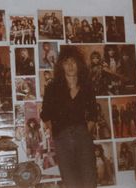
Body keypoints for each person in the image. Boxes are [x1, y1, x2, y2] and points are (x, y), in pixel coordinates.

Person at [41, 46, 97, 188]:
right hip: (62, 139)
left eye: (74, 62)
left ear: (79, 64)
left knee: (89, 180)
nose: (71, 66)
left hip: (83, 137)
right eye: (67, 62)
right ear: (61, 66)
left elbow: (93, 115)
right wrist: (59, 134)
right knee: (71, 181)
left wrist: (84, 133)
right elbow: (45, 114)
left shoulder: (87, 87)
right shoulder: (52, 88)